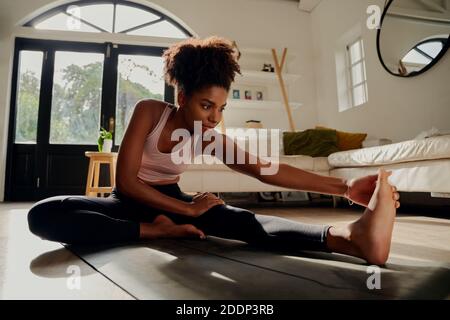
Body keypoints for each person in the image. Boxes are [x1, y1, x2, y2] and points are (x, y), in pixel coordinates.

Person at [27, 36, 400, 265]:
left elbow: (264, 169)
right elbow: (125, 182)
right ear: (182, 96)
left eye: (221, 109)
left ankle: (348, 239)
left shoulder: (206, 135)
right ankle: (152, 232)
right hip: (127, 204)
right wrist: (185, 212)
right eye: (207, 106)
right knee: (45, 215)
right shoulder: (149, 111)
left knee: (238, 220)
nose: (214, 118)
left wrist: (345, 188)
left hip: (171, 203)